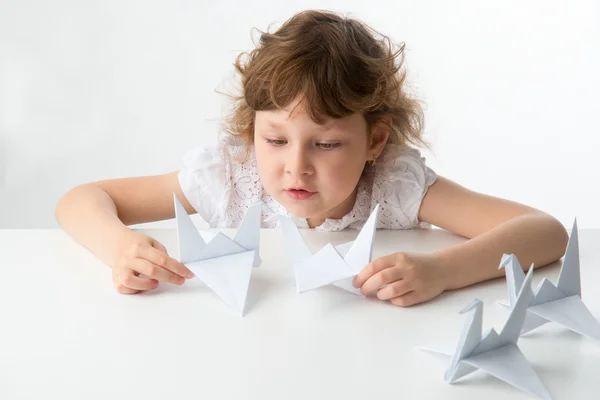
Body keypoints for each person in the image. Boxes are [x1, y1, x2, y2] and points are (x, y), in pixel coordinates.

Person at [55, 10, 569, 307]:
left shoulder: (392, 184)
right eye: (275, 140)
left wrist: (441, 271)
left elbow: (545, 232)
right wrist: (118, 247)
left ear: (374, 141)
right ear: (250, 130)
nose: (294, 167)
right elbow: (82, 199)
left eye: (325, 144)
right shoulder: (231, 177)